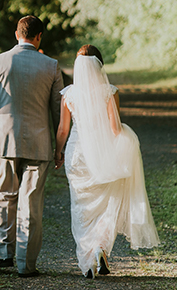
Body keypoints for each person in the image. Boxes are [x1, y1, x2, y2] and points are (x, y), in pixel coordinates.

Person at [54, 45, 160, 279]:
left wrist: (58, 153)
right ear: (100, 66)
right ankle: (100, 249)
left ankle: (88, 260)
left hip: (77, 154)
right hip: (102, 154)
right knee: (106, 204)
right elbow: (114, 128)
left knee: (81, 206)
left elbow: (63, 129)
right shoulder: (109, 92)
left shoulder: (69, 94)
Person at [0, 15, 64, 277]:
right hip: (39, 142)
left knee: (4, 196)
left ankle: (4, 256)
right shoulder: (51, 66)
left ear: (17, 34)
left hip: (4, 139)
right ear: (39, 37)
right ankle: (26, 264)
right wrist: (59, 147)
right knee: (31, 202)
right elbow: (58, 112)